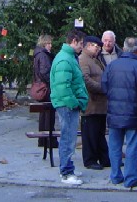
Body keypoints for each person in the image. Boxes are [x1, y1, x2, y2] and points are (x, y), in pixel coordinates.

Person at [101, 37, 137, 188]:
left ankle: (115, 175)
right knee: (133, 147)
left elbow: (104, 86)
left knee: (115, 146)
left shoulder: (112, 65)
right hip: (135, 113)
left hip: (114, 112)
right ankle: (130, 178)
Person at [50, 29, 88, 185]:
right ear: (73, 41)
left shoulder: (68, 57)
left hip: (67, 103)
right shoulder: (65, 60)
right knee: (68, 138)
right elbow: (63, 87)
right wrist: (74, 103)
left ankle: (68, 168)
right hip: (67, 105)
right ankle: (66, 172)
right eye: (81, 44)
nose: (82, 47)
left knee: (69, 137)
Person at [78, 35, 110, 170]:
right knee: (90, 134)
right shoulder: (83, 60)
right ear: (87, 45)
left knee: (99, 133)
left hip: (100, 105)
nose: (98, 49)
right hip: (91, 104)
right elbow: (85, 80)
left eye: (99, 47)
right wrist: (102, 88)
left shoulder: (95, 60)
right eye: (95, 46)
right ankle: (90, 160)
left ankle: (104, 158)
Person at [33, 34, 57, 148]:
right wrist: (52, 82)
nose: (50, 46)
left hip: (41, 87)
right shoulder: (43, 55)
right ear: (44, 44)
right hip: (46, 88)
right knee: (48, 115)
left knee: (44, 115)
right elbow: (44, 72)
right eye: (49, 43)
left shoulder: (38, 54)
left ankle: (43, 140)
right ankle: (49, 140)